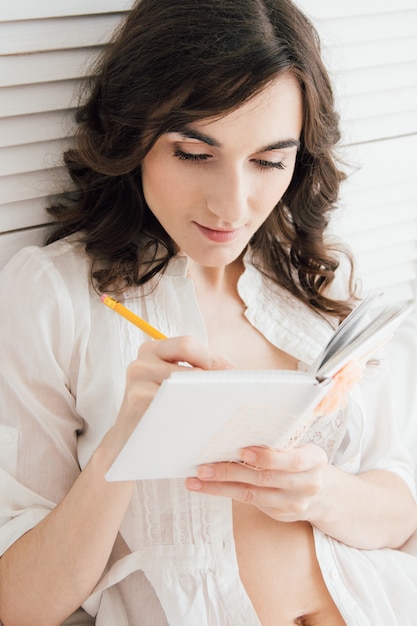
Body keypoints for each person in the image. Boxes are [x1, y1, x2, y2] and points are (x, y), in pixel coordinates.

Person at [0, 0, 416, 624]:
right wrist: (123, 448)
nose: (232, 205)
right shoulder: (57, 296)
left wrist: (319, 492)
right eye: (194, 154)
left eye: (270, 160)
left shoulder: (321, 285)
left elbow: (400, 509)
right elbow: (21, 605)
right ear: (132, 134)